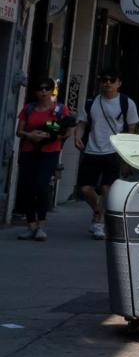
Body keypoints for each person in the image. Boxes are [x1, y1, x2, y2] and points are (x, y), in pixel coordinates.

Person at [75, 73, 139, 238]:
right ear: (100, 83)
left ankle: (100, 222)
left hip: (114, 150)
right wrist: (77, 137)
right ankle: (98, 210)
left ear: (119, 83)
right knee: (85, 188)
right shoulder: (91, 102)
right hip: (91, 149)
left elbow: (132, 128)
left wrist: (127, 151)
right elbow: (82, 123)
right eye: (104, 80)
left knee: (106, 188)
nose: (108, 83)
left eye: (112, 80)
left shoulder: (126, 102)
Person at [13, 80, 71, 240]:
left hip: (49, 151)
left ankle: (41, 225)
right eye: (40, 89)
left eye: (47, 89)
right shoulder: (29, 108)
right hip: (29, 150)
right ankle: (30, 224)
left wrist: (50, 135)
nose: (44, 92)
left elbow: (67, 131)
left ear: (52, 91)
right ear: (35, 92)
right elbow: (19, 131)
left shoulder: (60, 109)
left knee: (41, 186)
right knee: (28, 187)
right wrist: (30, 135)